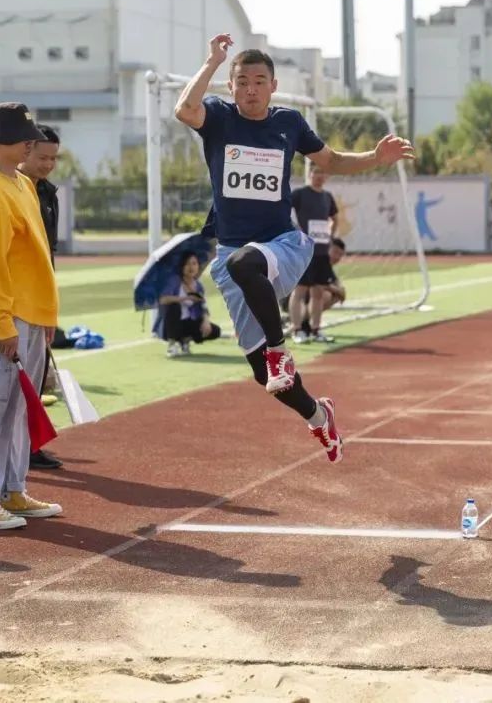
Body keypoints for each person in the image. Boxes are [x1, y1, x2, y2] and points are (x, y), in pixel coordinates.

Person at [174, 34, 414, 464]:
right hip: (233, 253)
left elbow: (332, 160)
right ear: (230, 86)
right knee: (264, 376)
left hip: (282, 244)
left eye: (259, 81)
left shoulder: (289, 122)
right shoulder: (217, 117)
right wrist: (211, 60)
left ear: (273, 85)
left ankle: (280, 349)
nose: (251, 89)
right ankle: (319, 415)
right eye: (242, 81)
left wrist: (375, 158)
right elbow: (183, 110)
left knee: (247, 263)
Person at [0, 102, 63, 529]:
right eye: (24, 137)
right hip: (9, 315)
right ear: (0, 140)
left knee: (19, 406)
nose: (30, 143)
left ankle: (12, 489)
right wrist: (1, 322)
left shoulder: (20, 182)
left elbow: (34, 254)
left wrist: (47, 316)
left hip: (32, 312)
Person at [17, 123, 65, 469]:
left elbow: (49, 249)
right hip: (15, 298)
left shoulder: (47, 192)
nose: (48, 164)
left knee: (33, 376)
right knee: (7, 379)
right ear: (26, 151)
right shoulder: (10, 189)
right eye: (42, 156)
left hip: (40, 295)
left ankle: (29, 447)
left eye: (54, 158)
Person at [289, 163, 339, 343]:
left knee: (318, 292)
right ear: (310, 174)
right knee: (300, 290)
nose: (319, 175)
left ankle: (316, 330)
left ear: (327, 176)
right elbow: (283, 208)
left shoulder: (327, 197)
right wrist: (295, 232)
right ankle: (296, 330)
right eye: (316, 171)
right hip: (304, 251)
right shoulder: (300, 194)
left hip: (321, 252)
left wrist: (330, 236)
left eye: (323, 172)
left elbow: (334, 218)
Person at [155, 253, 221, 357]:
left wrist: (206, 321)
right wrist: (185, 298)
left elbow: (203, 305)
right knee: (174, 307)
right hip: (172, 324)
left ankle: (185, 341)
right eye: (187, 264)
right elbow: (163, 300)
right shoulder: (174, 281)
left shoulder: (198, 285)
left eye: (194, 263)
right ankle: (172, 344)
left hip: (189, 321)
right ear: (181, 266)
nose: (191, 267)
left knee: (215, 330)